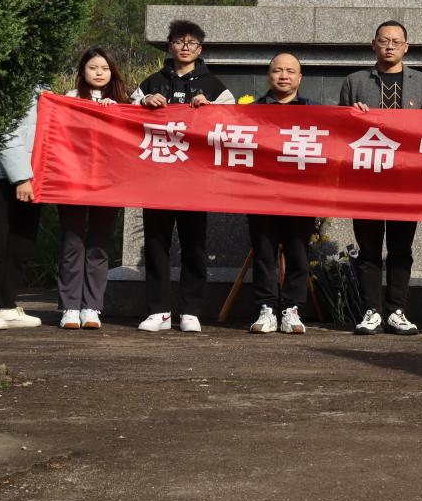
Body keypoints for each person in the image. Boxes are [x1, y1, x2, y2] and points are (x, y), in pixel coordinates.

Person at [133, 19, 235, 333]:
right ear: (170, 46)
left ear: (200, 49)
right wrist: (143, 103)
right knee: (156, 245)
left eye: (192, 42)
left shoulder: (214, 85)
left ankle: (190, 311)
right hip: (157, 178)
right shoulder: (152, 82)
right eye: (179, 41)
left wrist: (210, 108)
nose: (185, 47)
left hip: (195, 180)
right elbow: (126, 115)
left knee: (194, 245)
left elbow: (233, 120)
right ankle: (158, 311)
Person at [340, 20, 422, 336]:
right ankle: (371, 311)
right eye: (384, 40)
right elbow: (339, 132)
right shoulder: (354, 82)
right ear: (374, 44)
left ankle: (396, 310)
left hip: (405, 181)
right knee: (368, 251)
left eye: (396, 41)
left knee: (400, 249)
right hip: (366, 179)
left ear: (406, 47)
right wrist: (351, 116)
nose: (390, 46)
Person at [57, 49, 131, 330]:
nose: (99, 73)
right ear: (82, 71)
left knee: (99, 244)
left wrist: (117, 113)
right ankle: (69, 306)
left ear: (113, 72)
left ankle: (91, 307)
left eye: (105, 68)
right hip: (73, 180)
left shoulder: (123, 102)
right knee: (73, 242)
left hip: (108, 182)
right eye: (93, 67)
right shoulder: (70, 98)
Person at [248, 53, 318, 336]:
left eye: (290, 71)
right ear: (269, 75)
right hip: (261, 194)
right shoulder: (251, 111)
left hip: (301, 196)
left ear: (300, 78)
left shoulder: (316, 111)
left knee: (298, 252)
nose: (284, 76)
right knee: (263, 252)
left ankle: (292, 309)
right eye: (278, 70)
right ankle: (266, 307)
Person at [0, 90, 45, 331]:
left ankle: (7, 305)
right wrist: (21, 177)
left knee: (20, 244)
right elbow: (2, 129)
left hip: (34, 178)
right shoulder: (7, 85)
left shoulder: (42, 89)